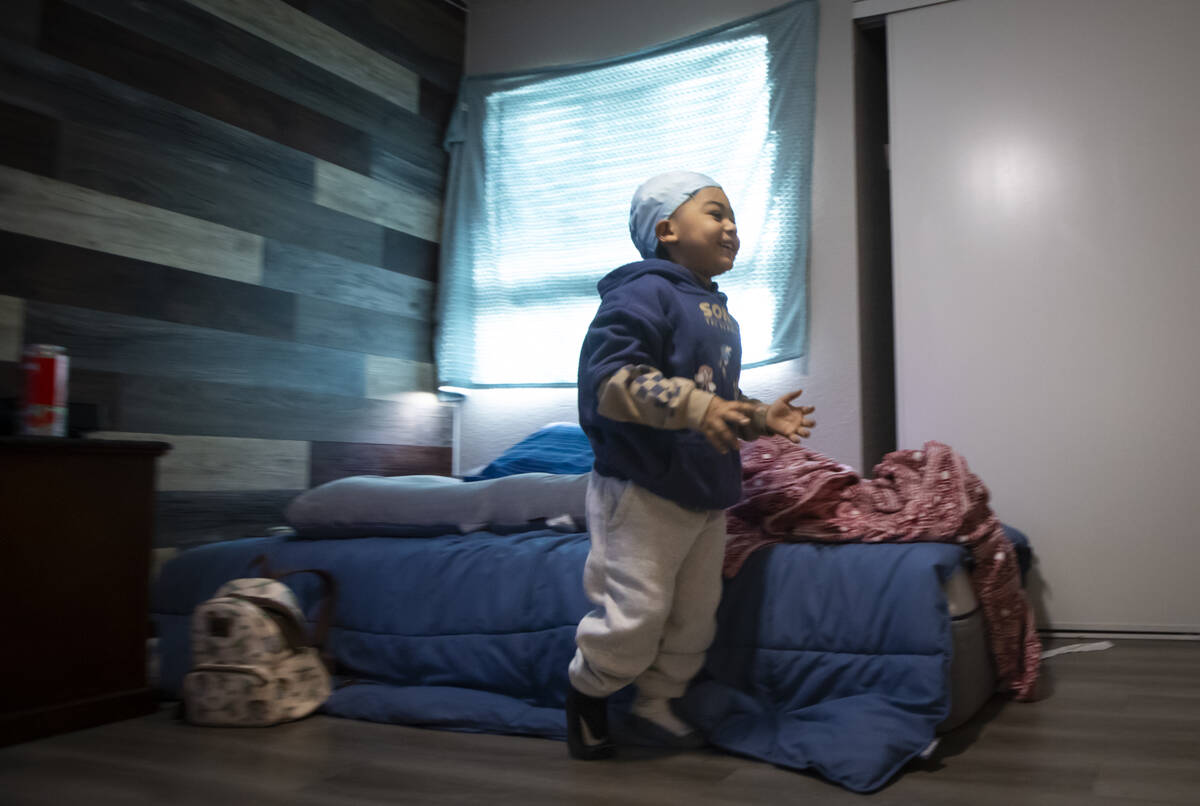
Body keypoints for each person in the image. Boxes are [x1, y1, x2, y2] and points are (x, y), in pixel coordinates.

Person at [566, 170, 816, 759]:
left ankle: (657, 704)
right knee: (638, 610)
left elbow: (711, 397)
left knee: (694, 620)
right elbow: (609, 382)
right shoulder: (641, 294)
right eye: (715, 212)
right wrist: (698, 406)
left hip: (707, 491)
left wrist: (757, 418)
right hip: (646, 485)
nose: (731, 226)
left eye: (732, 216)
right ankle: (588, 692)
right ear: (668, 229)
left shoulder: (717, 313)